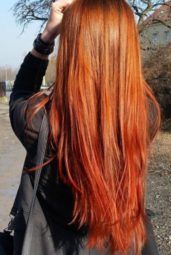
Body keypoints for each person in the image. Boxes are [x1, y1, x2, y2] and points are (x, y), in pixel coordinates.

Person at [9, 0, 161, 254]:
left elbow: (20, 92)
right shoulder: (146, 114)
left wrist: (46, 37)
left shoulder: (37, 120)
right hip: (119, 245)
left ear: (72, 48)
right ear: (127, 46)